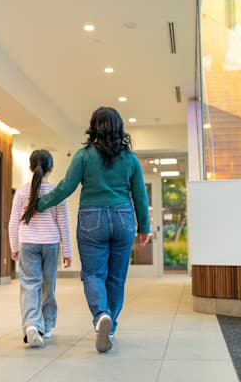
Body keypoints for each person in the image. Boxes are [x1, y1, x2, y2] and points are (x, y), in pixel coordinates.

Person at [36, 106, 150, 353]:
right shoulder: (130, 159)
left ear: (94, 126)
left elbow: (66, 187)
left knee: (92, 274)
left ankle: (101, 316)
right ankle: (111, 325)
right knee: (116, 277)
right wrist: (145, 227)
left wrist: (40, 204)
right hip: (123, 217)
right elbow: (140, 195)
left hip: (92, 218)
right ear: (119, 127)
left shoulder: (83, 155)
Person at [9, 149, 72, 348]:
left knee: (29, 284)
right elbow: (63, 222)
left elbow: (13, 222)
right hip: (51, 244)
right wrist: (68, 251)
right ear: (51, 169)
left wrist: (14, 245)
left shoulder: (21, 191)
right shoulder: (56, 192)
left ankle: (31, 325)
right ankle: (47, 326)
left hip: (28, 243)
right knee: (48, 284)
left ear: (30, 167)